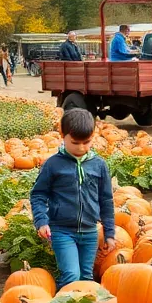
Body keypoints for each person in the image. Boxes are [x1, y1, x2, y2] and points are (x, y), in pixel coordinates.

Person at [31, 109, 117, 290]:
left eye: (87, 142)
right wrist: (41, 221)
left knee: (86, 276)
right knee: (71, 275)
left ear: (93, 136)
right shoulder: (53, 164)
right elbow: (38, 194)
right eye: (75, 142)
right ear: (63, 135)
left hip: (89, 231)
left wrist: (109, 233)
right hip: (62, 231)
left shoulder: (99, 165)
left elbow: (106, 200)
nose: (81, 148)